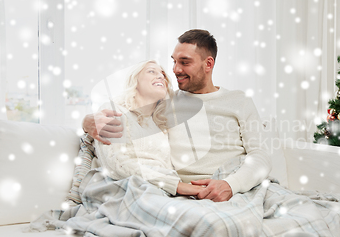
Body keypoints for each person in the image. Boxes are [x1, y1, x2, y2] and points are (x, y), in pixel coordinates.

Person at [83, 29, 271, 201]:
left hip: (237, 184)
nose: (175, 70)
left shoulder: (239, 100)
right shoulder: (165, 105)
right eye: (174, 61)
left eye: (185, 62)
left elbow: (260, 154)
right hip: (188, 192)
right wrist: (87, 121)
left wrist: (231, 185)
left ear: (208, 64)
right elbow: (132, 115)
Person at [94, 60, 203, 196]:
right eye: (152, 71)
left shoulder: (161, 126)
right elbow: (117, 163)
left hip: (162, 191)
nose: (161, 76)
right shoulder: (113, 110)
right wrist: (175, 185)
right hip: (125, 188)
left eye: (162, 74)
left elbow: (167, 167)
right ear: (135, 81)